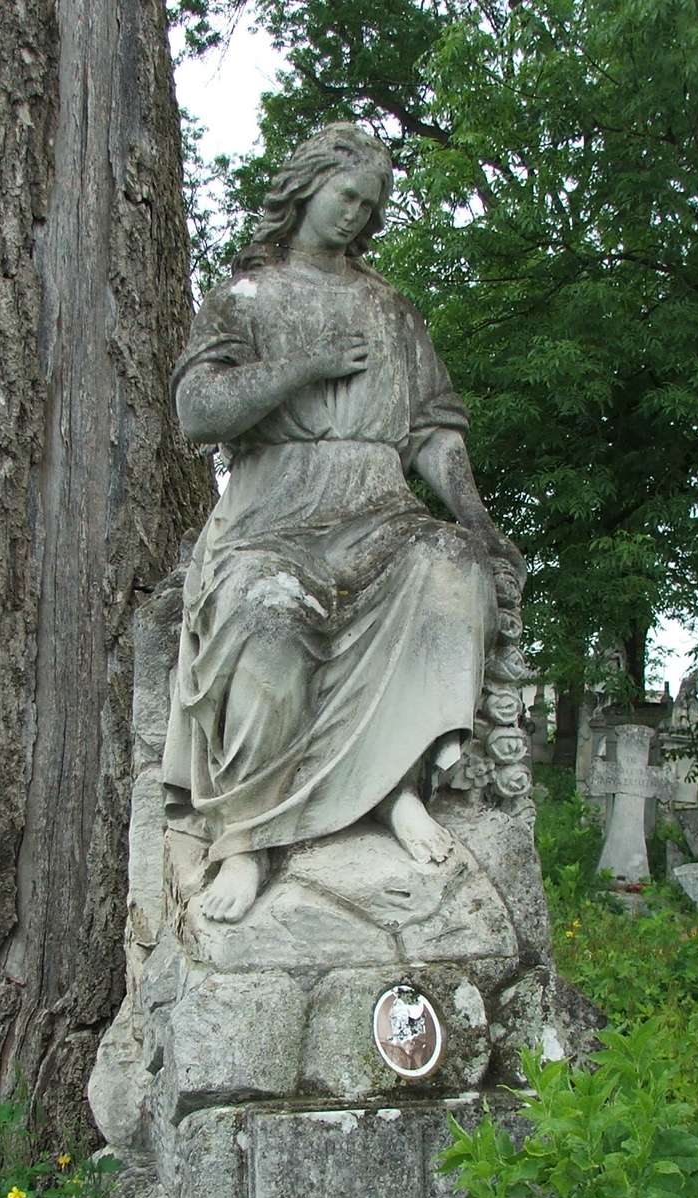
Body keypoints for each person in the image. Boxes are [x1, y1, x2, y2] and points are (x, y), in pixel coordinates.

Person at [162, 124, 519, 924]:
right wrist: (302, 367)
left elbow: (432, 427)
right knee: (267, 610)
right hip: (274, 517)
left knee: (453, 566)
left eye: (372, 203)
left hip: (379, 508)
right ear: (307, 186)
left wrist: (475, 515)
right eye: (347, 195)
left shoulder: (392, 309)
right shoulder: (244, 299)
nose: (358, 213)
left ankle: (394, 790)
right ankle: (246, 840)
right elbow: (197, 413)